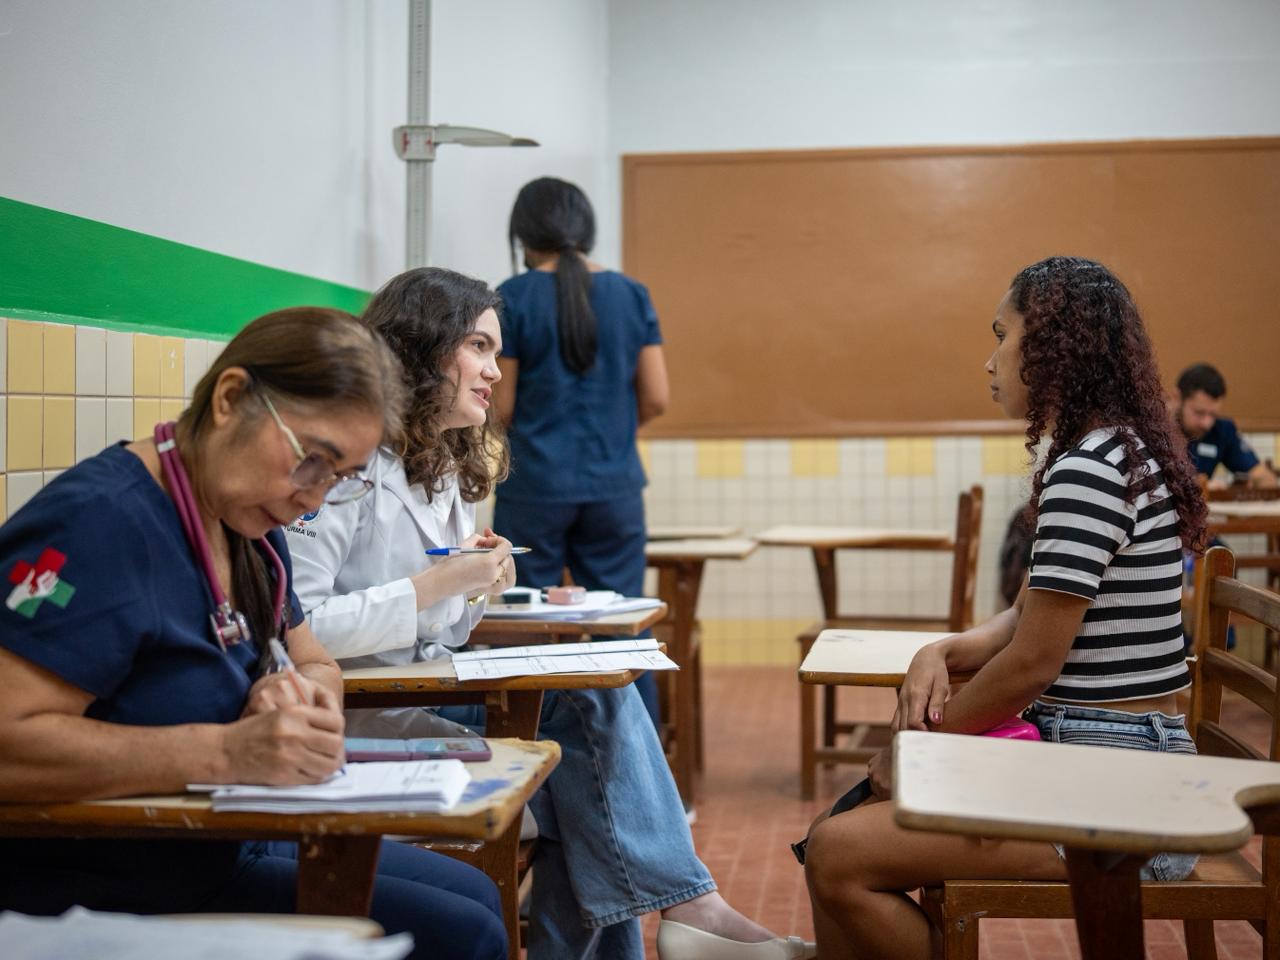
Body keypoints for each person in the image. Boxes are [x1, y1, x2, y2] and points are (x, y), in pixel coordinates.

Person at [287, 267, 814, 960]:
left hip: (420, 683)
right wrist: (434, 585)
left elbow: (445, 630)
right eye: (477, 347)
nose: (494, 372)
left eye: (492, 350)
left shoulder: (443, 463)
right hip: (363, 709)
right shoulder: (349, 466)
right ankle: (693, 909)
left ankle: (691, 911)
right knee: (584, 759)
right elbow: (298, 628)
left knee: (596, 718)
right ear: (420, 349)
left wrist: (474, 583)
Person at [0, 308, 506, 960]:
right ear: (231, 397)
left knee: (474, 895)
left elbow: (314, 660)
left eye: (340, 478)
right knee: (462, 936)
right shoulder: (97, 526)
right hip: (107, 883)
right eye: (312, 461)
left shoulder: (251, 533)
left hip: (225, 835)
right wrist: (223, 753)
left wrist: (296, 696)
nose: (315, 499)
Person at [802, 257, 1208, 960]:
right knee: (846, 835)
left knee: (838, 852)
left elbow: (1030, 663)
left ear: (1052, 346)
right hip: (1114, 765)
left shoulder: (1091, 468)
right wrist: (940, 652)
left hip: (1120, 796)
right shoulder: (1113, 451)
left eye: (1002, 335)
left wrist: (920, 748)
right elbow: (1021, 619)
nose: (990, 359)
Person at [492, 176, 669, 728]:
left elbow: (500, 407)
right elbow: (657, 397)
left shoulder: (513, 296)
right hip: (614, 487)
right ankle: (650, 779)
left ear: (524, 231)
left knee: (523, 623)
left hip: (534, 487)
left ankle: (528, 766)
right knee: (624, 623)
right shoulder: (632, 293)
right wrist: (612, 432)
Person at [1173, 362, 1277, 489]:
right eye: (1199, 413)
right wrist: (1200, 485)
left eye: (1213, 415)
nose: (1207, 423)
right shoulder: (1155, 430)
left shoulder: (1222, 430)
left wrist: (1260, 483)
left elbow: (1262, 476)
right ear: (1177, 398)